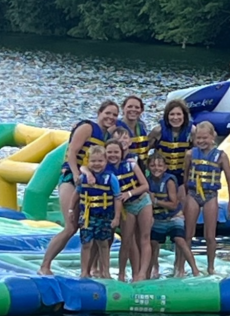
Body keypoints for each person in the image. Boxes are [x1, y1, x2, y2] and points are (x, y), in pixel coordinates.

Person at [39, 99, 119, 275]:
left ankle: (90, 270)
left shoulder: (108, 136)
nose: (111, 117)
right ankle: (45, 265)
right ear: (99, 113)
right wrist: (76, 174)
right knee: (71, 225)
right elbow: (73, 151)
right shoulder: (87, 127)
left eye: (114, 115)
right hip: (72, 179)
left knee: (98, 227)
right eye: (107, 113)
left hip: (92, 184)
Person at [148, 99, 195, 274]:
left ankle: (179, 265)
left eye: (179, 114)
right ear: (167, 116)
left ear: (184, 116)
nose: (176, 118)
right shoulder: (158, 131)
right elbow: (144, 151)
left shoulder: (192, 132)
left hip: (181, 180)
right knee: (155, 223)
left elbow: (198, 155)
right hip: (159, 177)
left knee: (182, 224)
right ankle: (154, 266)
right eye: (172, 114)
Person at [183, 121, 230, 275]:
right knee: (187, 234)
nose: (201, 141)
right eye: (198, 138)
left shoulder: (221, 156)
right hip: (193, 194)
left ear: (213, 137)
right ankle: (180, 266)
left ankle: (210, 267)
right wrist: (184, 199)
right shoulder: (190, 154)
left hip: (210, 196)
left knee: (210, 235)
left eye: (205, 138)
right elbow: (186, 177)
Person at [104, 136, 152, 283]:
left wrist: (129, 193)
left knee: (144, 238)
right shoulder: (104, 171)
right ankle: (122, 273)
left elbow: (145, 185)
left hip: (142, 201)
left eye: (116, 152)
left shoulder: (131, 165)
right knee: (126, 241)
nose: (113, 155)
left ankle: (141, 274)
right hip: (127, 208)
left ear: (121, 152)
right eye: (109, 152)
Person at [147, 152, 200, 278]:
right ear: (148, 167)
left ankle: (195, 269)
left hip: (173, 217)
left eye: (160, 166)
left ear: (165, 168)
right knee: (153, 243)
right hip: (158, 218)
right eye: (153, 165)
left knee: (180, 240)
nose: (156, 168)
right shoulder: (147, 182)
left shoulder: (169, 181)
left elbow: (173, 204)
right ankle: (155, 266)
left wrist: (155, 201)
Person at [76, 145, 121, 279]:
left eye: (100, 161)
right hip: (87, 216)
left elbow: (117, 198)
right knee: (86, 243)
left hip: (105, 216)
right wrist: (72, 210)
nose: (96, 164)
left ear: (105, 161)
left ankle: (105, 272)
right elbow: (77, 194)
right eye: (93, 161)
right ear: (88, 162)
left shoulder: (111, 178)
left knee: (104, 244)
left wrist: (116, 217)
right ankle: (84, 272)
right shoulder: (83, 178)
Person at [117, 95, 151, 168]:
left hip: (142, 167)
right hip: (123, 168)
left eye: (137, 107)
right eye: (130, 106)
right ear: (123, 108)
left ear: (141, 110)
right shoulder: (115, 127)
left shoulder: (142, 127)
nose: (133, 109)